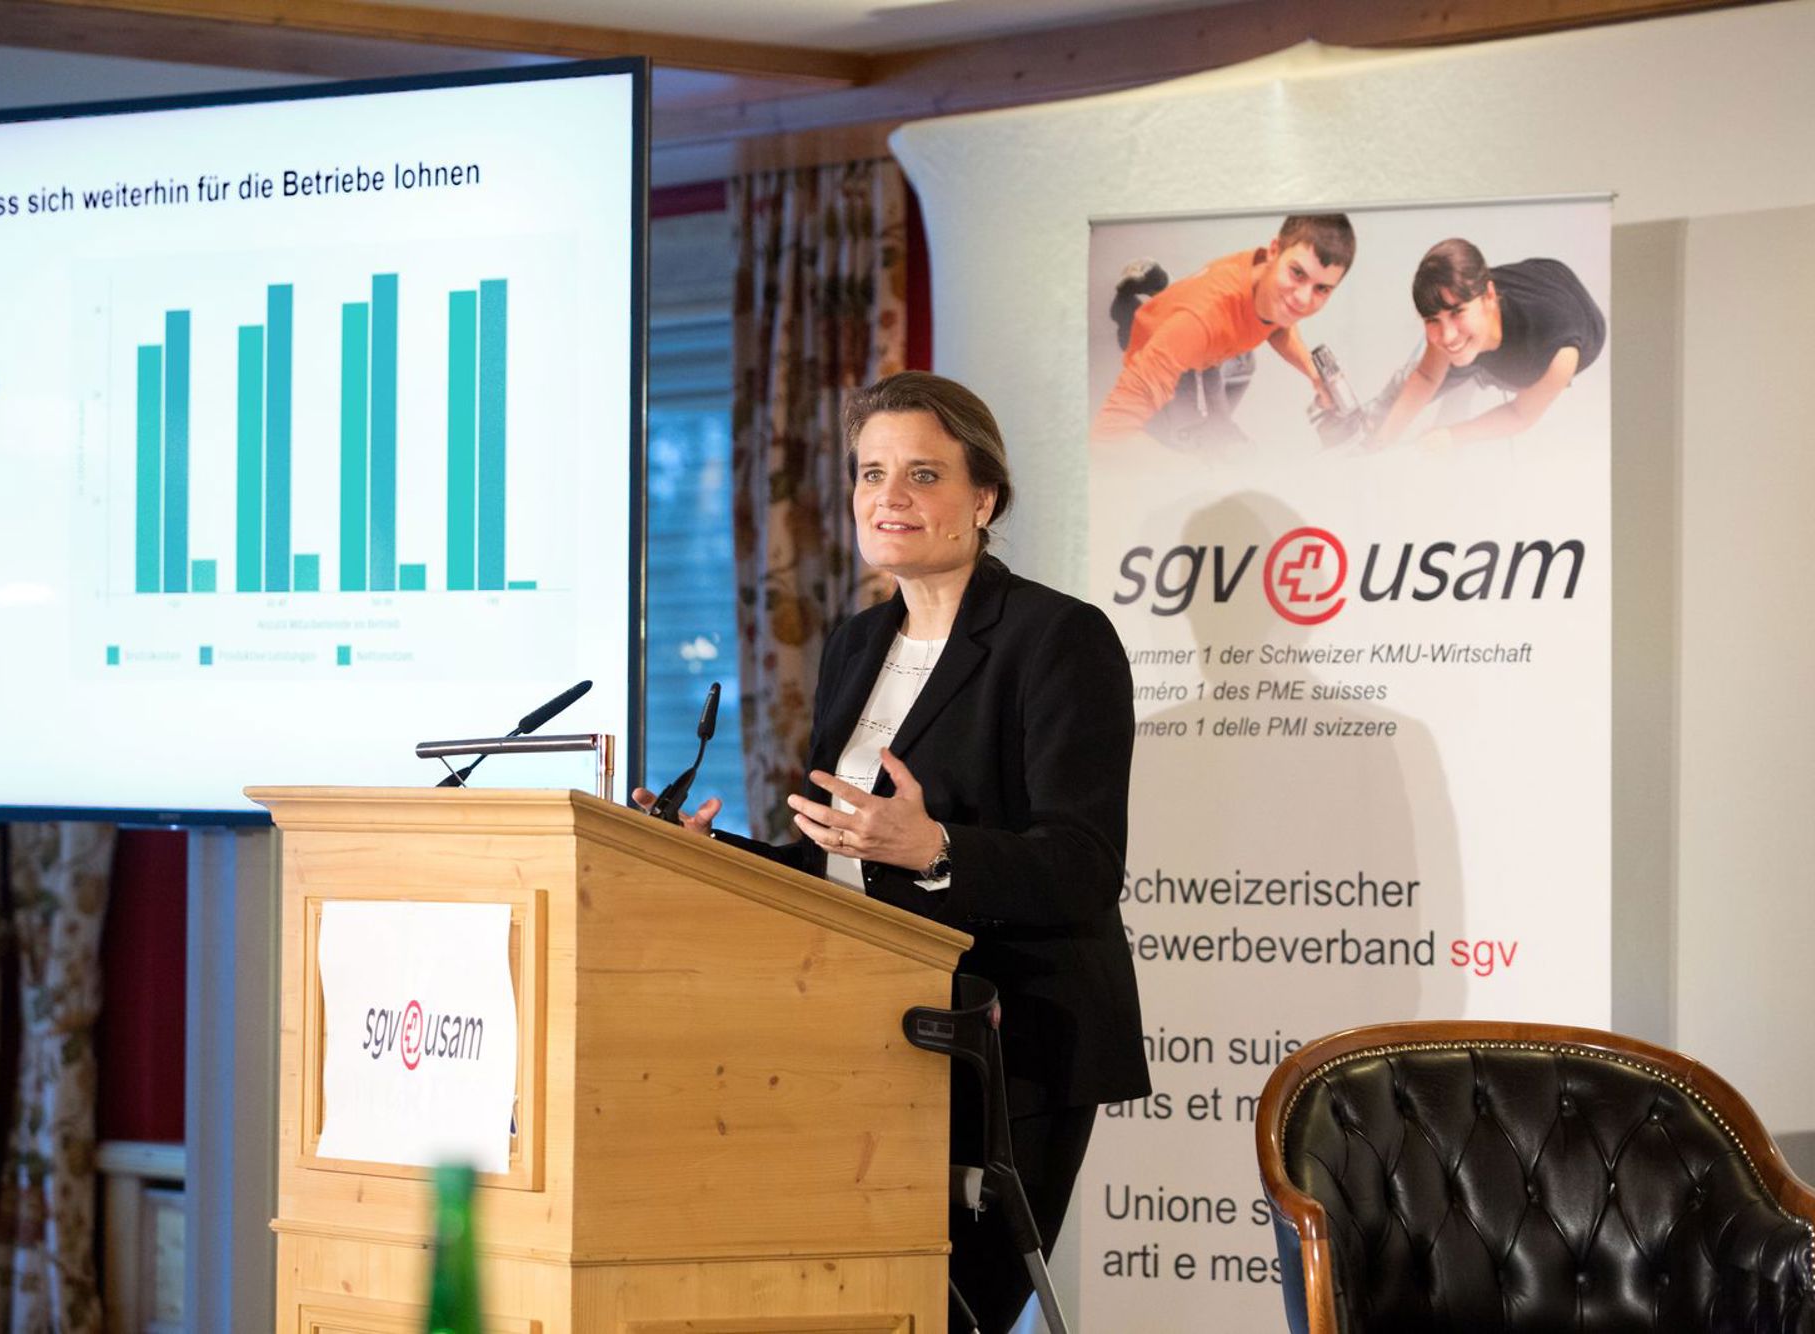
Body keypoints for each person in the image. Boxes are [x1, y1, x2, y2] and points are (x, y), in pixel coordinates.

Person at [635, 370, 1149, 1332]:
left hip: (1006, 1040)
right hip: (863, 1028)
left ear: (984, 498)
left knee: (948, 1317)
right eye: (871, 474)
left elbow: (1085, 867)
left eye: (923, 474)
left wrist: (938, 847)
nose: (889, 498)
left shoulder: (1059, 639)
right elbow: (841, 863)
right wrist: (704, 857)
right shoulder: (856, 642)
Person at [1091, 214, 1355, 442]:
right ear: (1274, 251)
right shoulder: (1200, 321)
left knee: (1243, 363)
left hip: (1208, 328)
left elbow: (1279, 323)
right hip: (1180, 354)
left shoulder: (1268, 278)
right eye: (1297, 273)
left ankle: (1160, 284)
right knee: (1198, 436)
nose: (1303, 299)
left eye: (1322, 288)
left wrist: (1314, 373)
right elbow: (1108, 434)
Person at [1368, 238, 1607, 449]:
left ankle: (1463, 396)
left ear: (1489, 297)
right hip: (1537, 280)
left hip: (1565, 327)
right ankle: (1366, 431)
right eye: (1432, 319)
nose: (1447, 336)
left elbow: (1520, 415)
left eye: (1457, 312)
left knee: (1459, 409)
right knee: (1409, 384)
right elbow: (1427, 376)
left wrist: (1454, 434)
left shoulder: (1557, 353)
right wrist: (1382, 440)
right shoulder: (1453, 306)